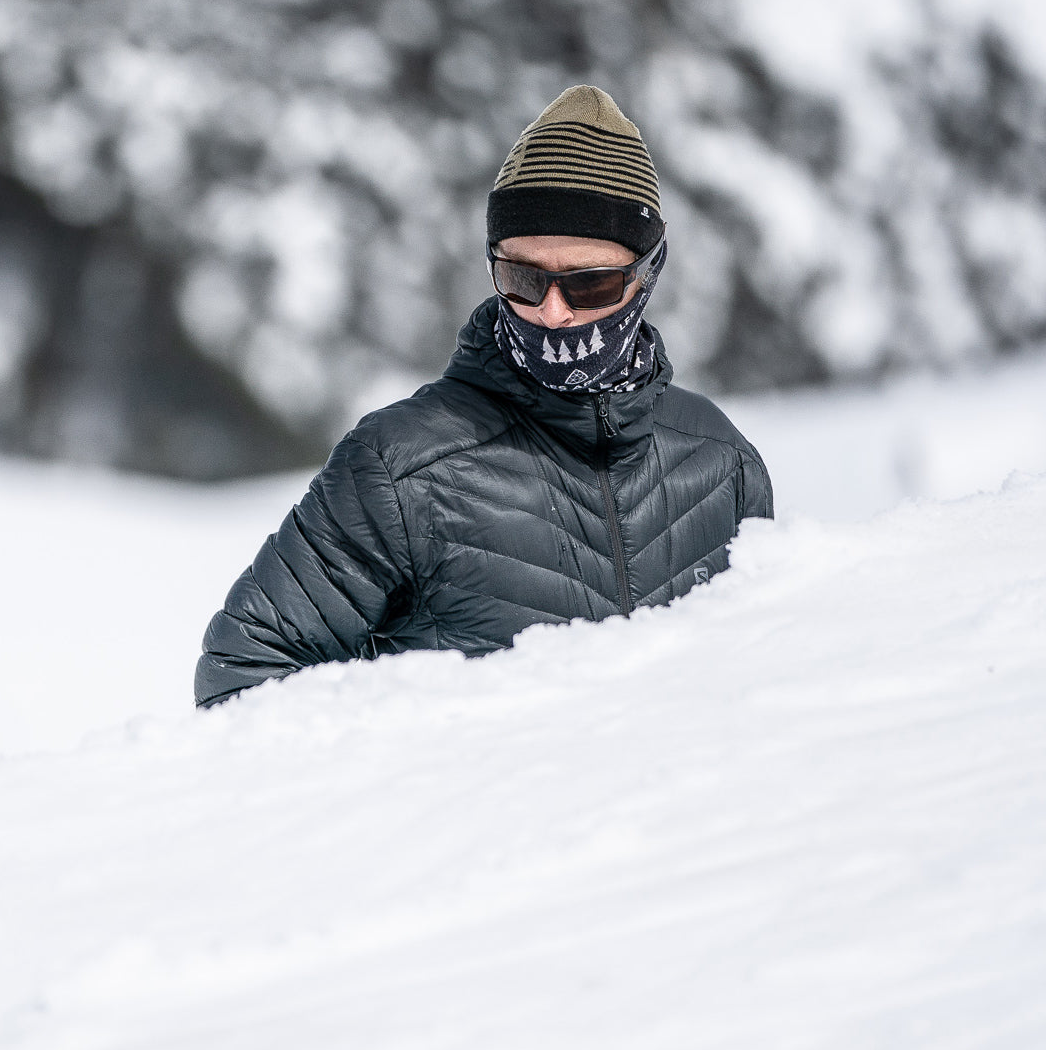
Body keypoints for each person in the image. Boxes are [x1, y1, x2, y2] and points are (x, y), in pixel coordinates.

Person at [195, 85, 772, 708]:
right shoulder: (402, 467)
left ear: (647, 273)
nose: (552, 312)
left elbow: (760, 678)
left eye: (592, 284)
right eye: (522, 277)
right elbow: (243, 674)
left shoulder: (722, 466)